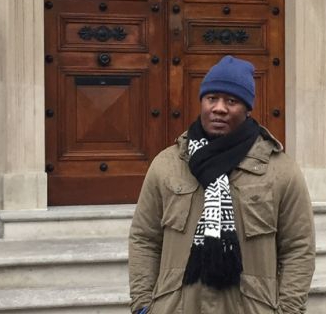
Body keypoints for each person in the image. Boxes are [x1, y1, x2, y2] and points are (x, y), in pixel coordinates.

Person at [129, 55, 315, 314]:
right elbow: (144, 238)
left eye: (232, 101)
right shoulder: (168, 164)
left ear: (248, 108)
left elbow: (298, 249)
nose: (219, 108)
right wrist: (143, 304)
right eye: (211, 98)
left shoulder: (280, 171)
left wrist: (289, 310)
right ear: (201, 102)